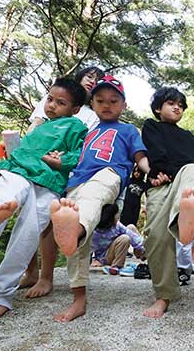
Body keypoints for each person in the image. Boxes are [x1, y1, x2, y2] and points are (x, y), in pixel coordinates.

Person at [0, 78, 89, 322]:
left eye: (60, 103)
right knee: (7, 193)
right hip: (21, 171)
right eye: (50, 99)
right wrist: (1, 167)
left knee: (29, 232)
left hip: (49, 182)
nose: (52, 105)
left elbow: (79, 156)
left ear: (74, 110)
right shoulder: (39, 128)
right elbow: (19, 153)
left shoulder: (76, 127)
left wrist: (61, 161)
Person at [49, 75, 151, 322]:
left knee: (91, 203)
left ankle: (75, 230)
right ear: (91, 104)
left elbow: (140, 158)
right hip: (76, 181)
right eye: (100, 100)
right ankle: (79, 300)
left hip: (109, 174)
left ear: (123, 105)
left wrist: (153, 173)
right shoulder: (86, 131)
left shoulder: (128, 130)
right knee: (76, 239)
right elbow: (71, 158)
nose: (107, 105)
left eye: (113, 100)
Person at [141, 86, 194, 318]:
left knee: (193, 167)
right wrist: (158, 170)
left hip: (185, 181)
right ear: (159, 108)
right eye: (171, 103)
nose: (177, 107)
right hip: (161, 185)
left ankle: (184, 223)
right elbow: (155, 150)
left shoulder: (188, 137)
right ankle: (163, 296)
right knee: (156, 236)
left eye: (181, 104)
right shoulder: (152, 126)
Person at [21, 66, 104, 298]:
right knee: (26, 216)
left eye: (97, 80)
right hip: (33, 165)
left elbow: (86, 149)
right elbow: (34, 127)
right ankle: (30, 272)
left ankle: (46, 277)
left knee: (48, 220)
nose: (92, 81)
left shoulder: (93, 114)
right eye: (89, 76)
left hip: (63, 172)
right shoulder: (54, 100)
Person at [92, 204, 146, 276]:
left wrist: (144, 247)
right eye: (117, 214)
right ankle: (116, 266)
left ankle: (143, 254)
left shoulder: (116, 225)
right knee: (125, 238)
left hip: (115, 249)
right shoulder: (96, 232)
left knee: (131, 227)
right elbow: (89, 247)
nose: (119, 215)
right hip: (104, 257)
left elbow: (130, 233)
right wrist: (93, 260)